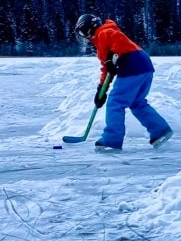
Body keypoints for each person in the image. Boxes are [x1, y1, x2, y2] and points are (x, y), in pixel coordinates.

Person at [74, 13, 173, 152]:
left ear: (90, 27)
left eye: (83, 32)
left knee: (115, 103)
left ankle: (112, 140)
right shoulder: (102, 39)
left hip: (132, 66)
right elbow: (106, 68)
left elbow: (117, 40)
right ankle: (160, 130)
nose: (85, 37)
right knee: (136, 102)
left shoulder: (103, 32)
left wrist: (112, 56)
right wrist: (101, 89)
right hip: (144, 66)